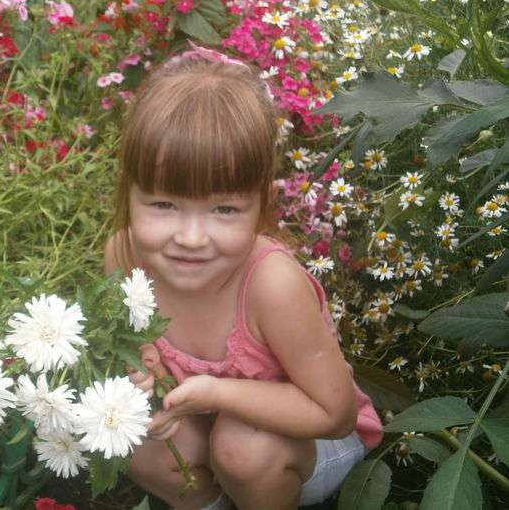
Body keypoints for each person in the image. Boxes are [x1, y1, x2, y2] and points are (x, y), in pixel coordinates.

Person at [104, 41, 383, 510]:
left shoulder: (271, 285)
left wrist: (216, 392)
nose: (191, 237)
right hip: (207, 424)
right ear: (129, 193)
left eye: (224, 209)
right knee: (133, 436)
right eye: (164, 204)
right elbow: (138, 345)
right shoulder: (125, 254)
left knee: (243, 447)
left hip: (305, 443)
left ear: (260, 203)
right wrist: (147, 379)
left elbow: (333, 415)